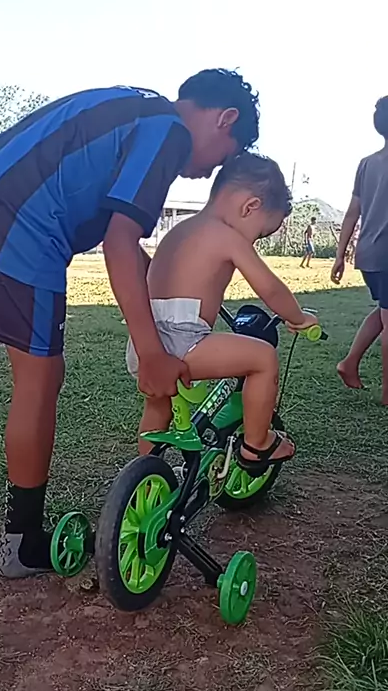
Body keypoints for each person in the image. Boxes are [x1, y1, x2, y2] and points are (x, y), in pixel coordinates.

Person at [0, 70, 261, 578]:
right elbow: (119, 242)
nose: (210, 172)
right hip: (21, 227)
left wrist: (154, 281)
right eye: (224, 156)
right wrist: (152, 352)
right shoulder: (170, 132)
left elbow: (125, 245)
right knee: (40, 376)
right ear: (224, 118)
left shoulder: (132, 103)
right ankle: (22, 542)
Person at [126, 153, 318, 468]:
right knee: (263, 358)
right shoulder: (226, 235)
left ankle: (145, 472)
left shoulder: (180, 231)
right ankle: (257, 444)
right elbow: (269, 288)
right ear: (250, 207)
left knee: (158, 404)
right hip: (183, 340)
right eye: (259, 234)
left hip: (143, 344)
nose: (254, 241)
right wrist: (298, 318)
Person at [332, 96, 388, 403]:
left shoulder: (366, 164)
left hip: (369, 254)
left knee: (383, 312)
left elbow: (352, 212)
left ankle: (349, 363)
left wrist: (340, 255)